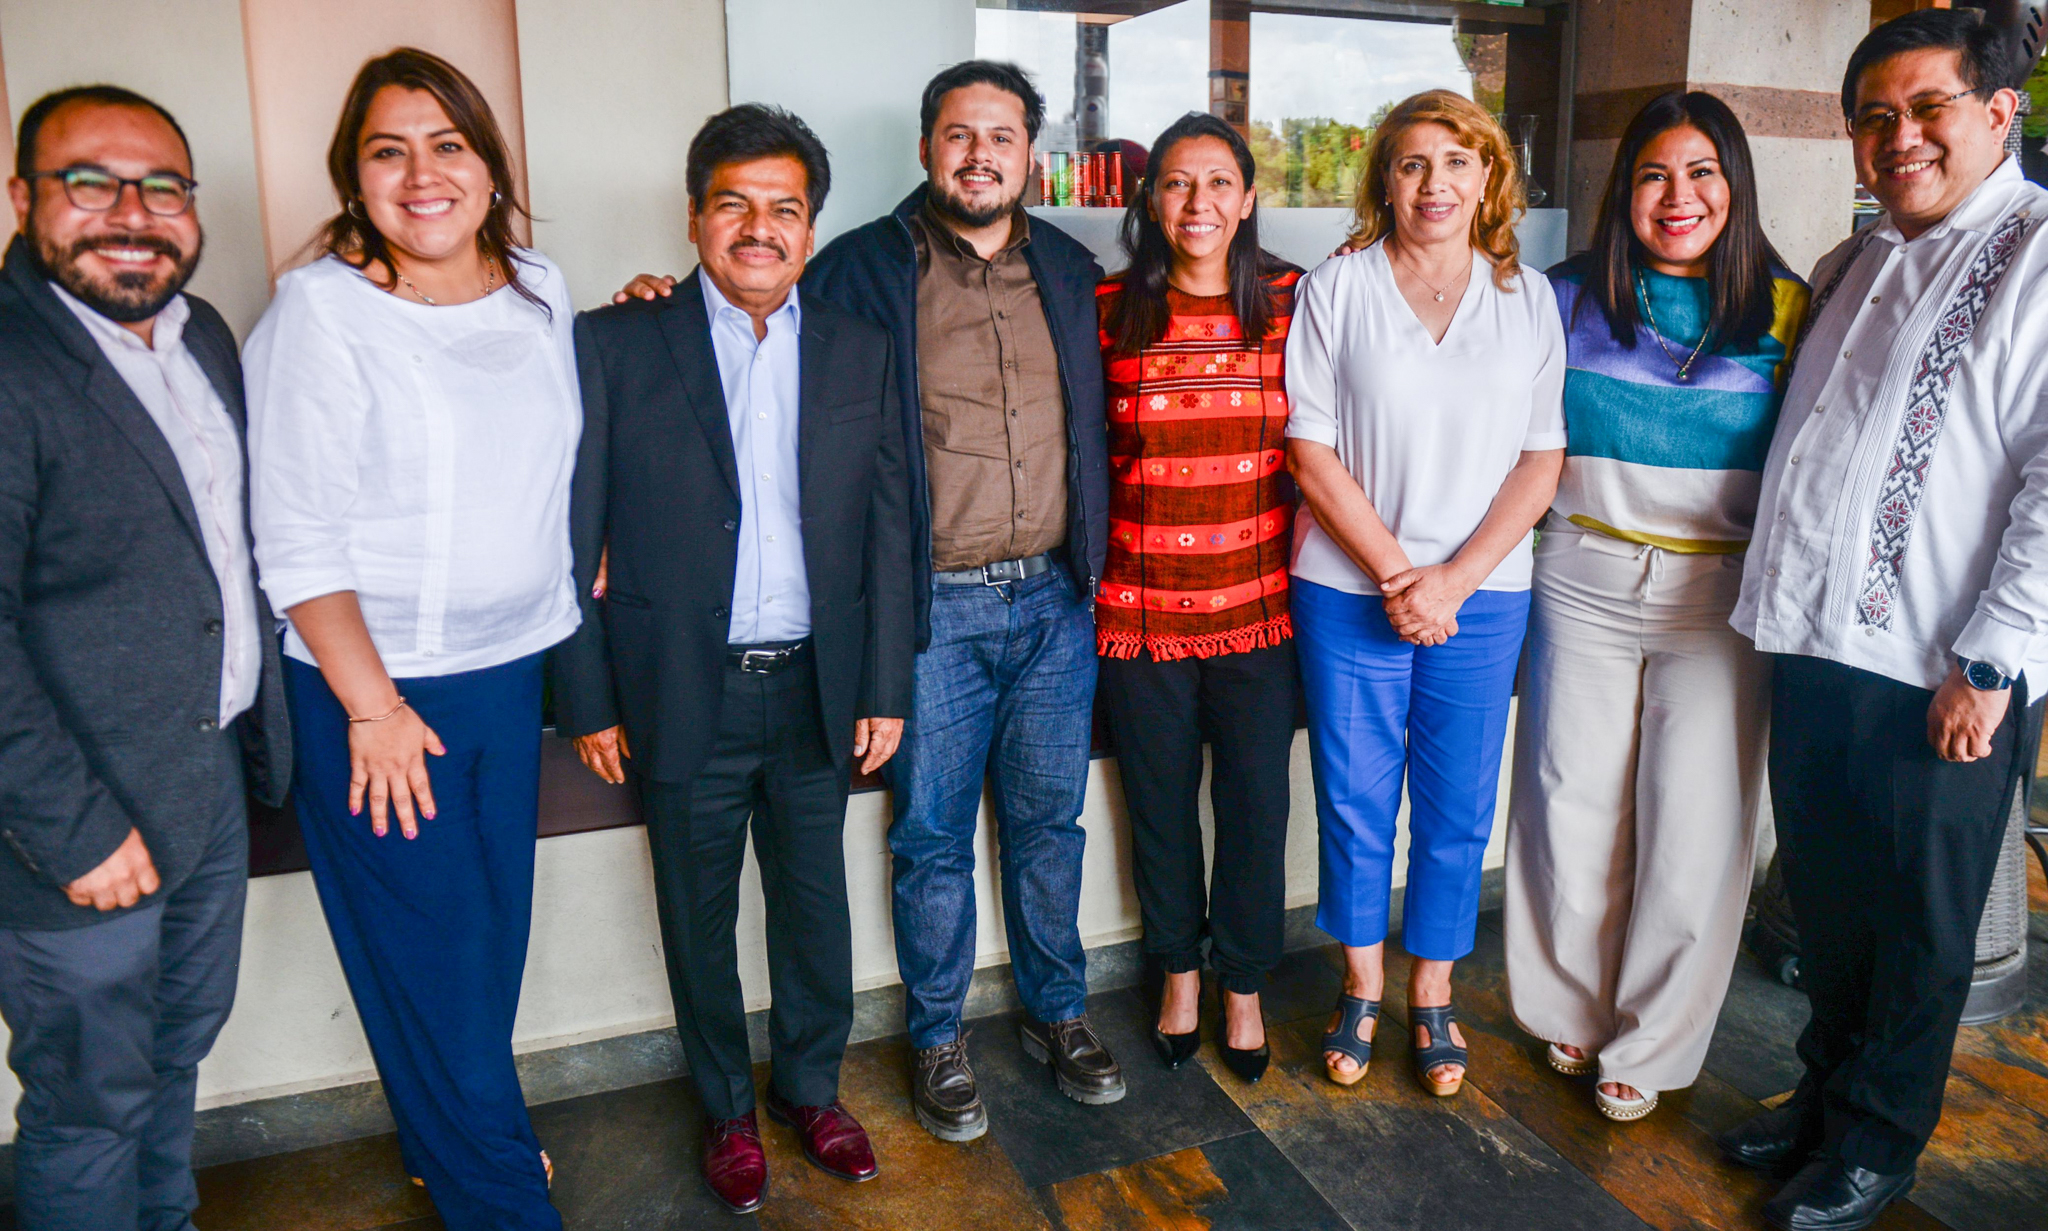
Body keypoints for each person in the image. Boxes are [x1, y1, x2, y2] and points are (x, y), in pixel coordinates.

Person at [610, 59, 1119, 1142]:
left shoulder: (1073, 271)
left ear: (1030, 153)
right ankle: (937, 1033)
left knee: (1047, 826)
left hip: (1054, 606)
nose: (979, 154)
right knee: (929, 835)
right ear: (928, 147)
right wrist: (654, 293)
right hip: (928, 610)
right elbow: (746, 313)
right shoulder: (857, 269)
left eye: (1001, 135)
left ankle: (1057, 1011)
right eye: (957, 133)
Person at [1716, 12, 2048, 1230]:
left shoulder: (2036, 254)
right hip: (1813, 645)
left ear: (1996, 111)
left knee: (1915, 925)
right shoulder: (1854, 260)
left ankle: (1875, 1144)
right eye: (1872, 116)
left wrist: (1991, 659)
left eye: (1926, 109)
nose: (1895, 137)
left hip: (1940, 668)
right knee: (1830, 904)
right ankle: (1822, 1098)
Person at [554, 104, 913, 1216]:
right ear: (696, 216)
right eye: (734, 206)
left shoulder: (859, 346)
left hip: (814, 684)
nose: (759, 229)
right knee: (694, 914)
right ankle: (722, 1106)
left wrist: (885, 685)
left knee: (815, 909)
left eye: (783, 209)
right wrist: (587, 698)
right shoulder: (614, 340)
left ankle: (810, 1087)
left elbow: (892, 521)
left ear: (811, 228)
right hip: (675, 690)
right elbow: (564, 532)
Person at [245, 49, 576, 1230]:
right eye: (389, 149)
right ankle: (498, 1197)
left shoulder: (540, 287)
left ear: (489, 167)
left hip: (509, 674)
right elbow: (294, 537)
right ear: (354, 177)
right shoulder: (320, 311)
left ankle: (453, 1147)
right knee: (435, 965)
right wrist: (373, 708)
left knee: (482, 956)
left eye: (446, 144)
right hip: (377, 698)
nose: (421, 172)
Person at [0, 85, 291, 1231]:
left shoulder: (203, 332)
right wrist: (72, 827)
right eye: (90, 181)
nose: (132, 211)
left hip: (206, 785)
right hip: (72, 828)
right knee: (88, 1103)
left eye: (162, 186)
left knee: (173, 1060)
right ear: (24, 199)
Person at [1502, 92, 1809, 1124]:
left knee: (1696, 824)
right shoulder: (1556, 300)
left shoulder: (1787, 309)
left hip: (1716, 596)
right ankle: (1568, 1006)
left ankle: (1652, 1039)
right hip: (1577, 574)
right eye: (1651, 176)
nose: (1676, 198)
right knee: (1564, 802)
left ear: (1734, 187)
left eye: (1700, 175)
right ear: (1620, 192)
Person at [1285, 89, 1565, 1097]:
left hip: (1483, 593)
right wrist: (1399, 575)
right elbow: (1308, 449)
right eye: (1411, 164)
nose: (1433, 183)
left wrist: (1449, 578)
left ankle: (1432, 992)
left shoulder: (1523, 298)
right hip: (1345, 587)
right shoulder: (1339, 287)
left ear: (1488, 176)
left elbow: (1541, 460)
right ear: (1382, 180)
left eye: (1455, 162)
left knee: (1455, 808)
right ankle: (1359, 986)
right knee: (1355, 804)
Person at [1094, 112, 1301, 1084]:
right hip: (1138, 616)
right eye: (1175, 184)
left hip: (1261, 611)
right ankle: (1178, 973)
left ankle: (1243, 984)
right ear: (1148, 200)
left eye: (1218, 183)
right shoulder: (1102, 309)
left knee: (1257, 807)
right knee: (1161, 809)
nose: (1197, 204)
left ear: (1247, 197)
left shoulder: (1297, 302)